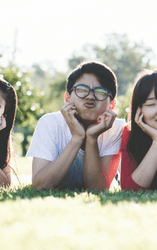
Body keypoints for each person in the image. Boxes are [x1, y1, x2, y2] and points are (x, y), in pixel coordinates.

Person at [27, 61, 125, 190]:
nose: (90, 97)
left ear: (112, 105)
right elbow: (40, 185)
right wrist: (77, 137)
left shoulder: (116, 128)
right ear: (67, 98)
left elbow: (97, 190)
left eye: (100, 91)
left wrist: (91, 138)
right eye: (82, 90)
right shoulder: (49, 122)